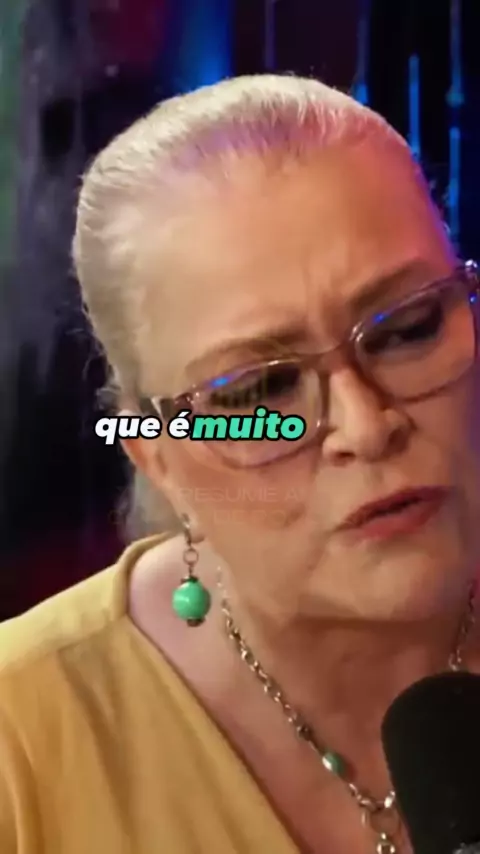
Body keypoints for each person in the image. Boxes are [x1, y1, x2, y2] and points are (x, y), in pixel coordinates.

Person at [0, 74, 479, 854]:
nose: (366, 426)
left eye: (408, 329)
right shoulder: (20, 744)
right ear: (156, 456)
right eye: (259, 389)